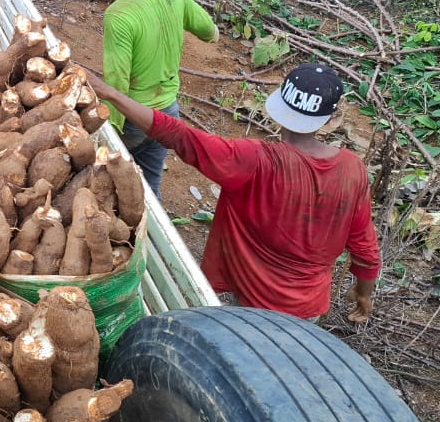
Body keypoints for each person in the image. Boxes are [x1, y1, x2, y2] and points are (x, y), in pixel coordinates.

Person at [90, 61, 380, 322]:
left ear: (280, 109)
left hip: (251, 307)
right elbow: (365, 247)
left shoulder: (254, 159)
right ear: (331, 120)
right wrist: (364, 292)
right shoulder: (353, 169)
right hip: (309, 311)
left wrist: (111, 94)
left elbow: (179, 136)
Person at [101, 0, 218, 197]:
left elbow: (117, 80)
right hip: (168, 112)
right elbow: (210, 33)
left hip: (134, 118)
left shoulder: (118, 15)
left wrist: (111, 132)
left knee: (104, 184)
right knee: (150, 187)